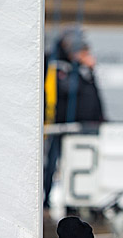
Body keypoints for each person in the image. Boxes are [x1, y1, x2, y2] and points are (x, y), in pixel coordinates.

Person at [42, 27, 105, 209]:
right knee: (49, 166)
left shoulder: (82, 70)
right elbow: (65, 89)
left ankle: (76, 205)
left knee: (79, 165)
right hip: (56, 127)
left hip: (80, 129)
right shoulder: (54, 64)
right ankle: (45, 202)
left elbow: (92, 95)